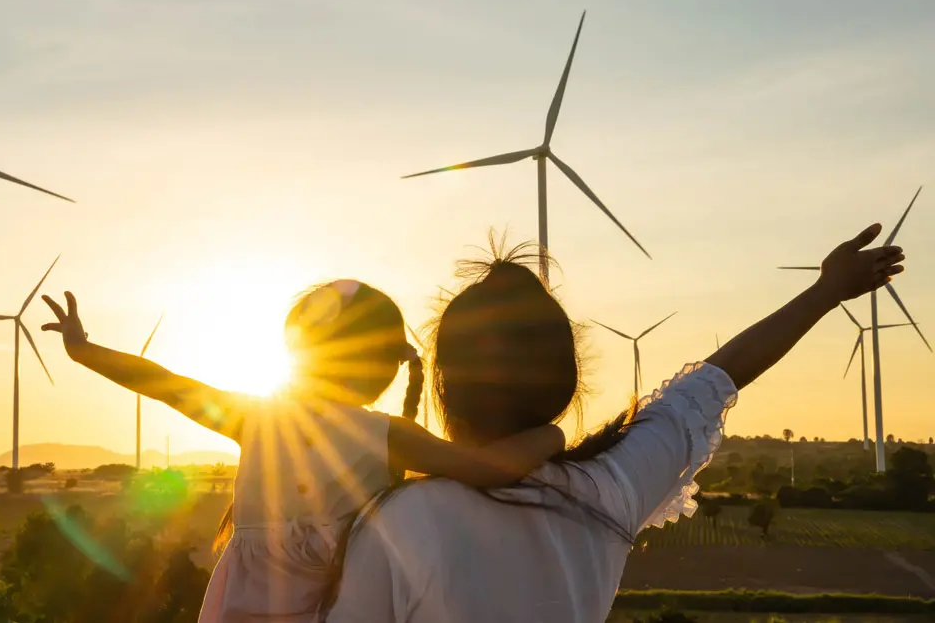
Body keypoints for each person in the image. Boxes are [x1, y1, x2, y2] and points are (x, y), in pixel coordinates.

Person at [322, 224, 906, 623]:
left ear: (445, 384)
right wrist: (827, 291)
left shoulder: (399, 522)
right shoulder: (608, 490)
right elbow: (719, 377)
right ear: (566, 381)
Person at [41, 279, 566, 622]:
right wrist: (551, 436)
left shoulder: (259, 418)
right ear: (381, 368)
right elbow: (484, 469)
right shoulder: (384, 433)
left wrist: (83, 350)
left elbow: (162, 382)